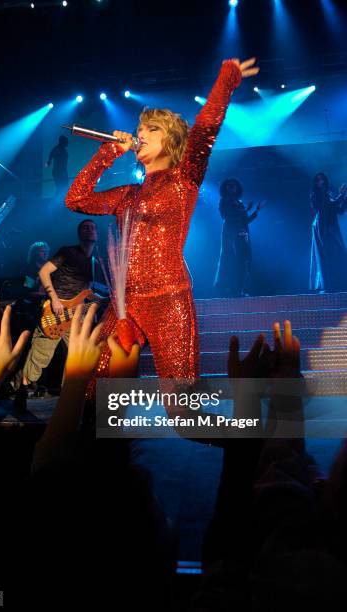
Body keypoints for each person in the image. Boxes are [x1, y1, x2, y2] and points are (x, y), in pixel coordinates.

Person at [65, 58, 259, 381]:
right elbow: (76, 199)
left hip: (168, 300)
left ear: (169, 140)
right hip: (125, 304)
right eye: (139, 128)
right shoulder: (127, 194)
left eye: (150, 129)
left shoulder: (185, 178)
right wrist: (107, 153)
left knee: (182, 406)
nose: (139, 133)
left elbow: (207, 127)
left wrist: (227, 78)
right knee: (93, 393)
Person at [19, 219, 105, 397]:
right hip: (56, 312)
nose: (89, 230)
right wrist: (54, 299)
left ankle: (69, 396)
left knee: (77, 359)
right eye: (85, 227)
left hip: (77, 315)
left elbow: (86, 291)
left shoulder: (95, 262)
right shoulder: (67, 252)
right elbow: (43, 273)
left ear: (97, 234)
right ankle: (21, 389)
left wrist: (103, 300)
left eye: (92, 227)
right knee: (40, 356)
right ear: (79, 233)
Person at [214, 178, 264, 297]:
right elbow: (227, 216)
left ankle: (239, 290)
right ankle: (230, 289)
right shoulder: (223, 201)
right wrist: (246, 209)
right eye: (229, 185)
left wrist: (256, 210)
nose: (232, 187)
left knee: (243, 261)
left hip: (242, 234)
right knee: (231, 260)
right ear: (225, 188)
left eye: (234, 185)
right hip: (230, 234)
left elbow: (245, 220)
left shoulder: (240, 202)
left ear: (238, 188)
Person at [309, 172, 347, 292]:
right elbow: (323, 206)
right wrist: (341, 195)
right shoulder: (315, 195)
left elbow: (339, 210)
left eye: (323, 179)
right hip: (321, 226)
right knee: (325, 254)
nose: (321, 182)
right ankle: (326, 285)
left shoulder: (328, 194)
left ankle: (336, 283)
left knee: (336, 252)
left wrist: (345, 198)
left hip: (330, 226)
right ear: (316, 182)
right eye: (318, 180)